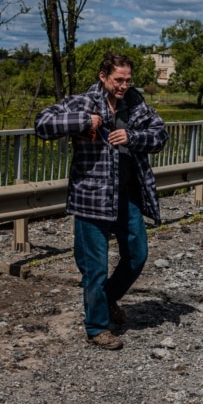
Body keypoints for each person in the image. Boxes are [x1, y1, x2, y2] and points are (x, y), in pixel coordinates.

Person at [34, 53, 168, 350]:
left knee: (137, 255)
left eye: (127, 80)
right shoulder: (82, 103)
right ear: (103, 76)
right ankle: (97, 328)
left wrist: (133, 137)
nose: (123, 85)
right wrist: (85, 121)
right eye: (118, 80)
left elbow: (160, 135)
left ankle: (105, 300)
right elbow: (42, 124)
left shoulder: (136, 104)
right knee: (94, 267)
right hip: (90, 198)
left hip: (127, 196)